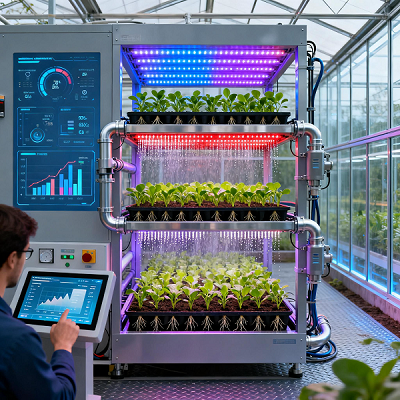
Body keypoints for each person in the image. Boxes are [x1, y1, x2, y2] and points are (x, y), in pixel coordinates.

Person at [0, 204, 79, 400]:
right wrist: (63, 346)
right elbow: (59, 396)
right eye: (26, 252)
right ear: (12, 259)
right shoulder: (17, 339)